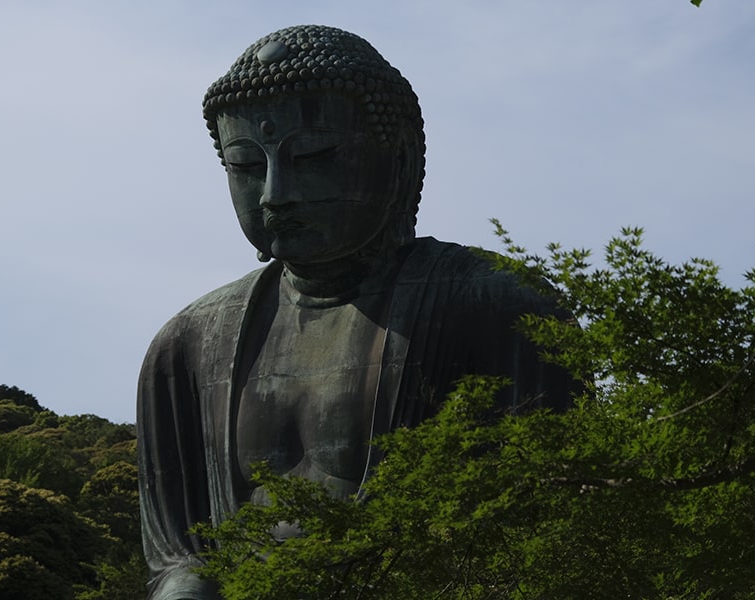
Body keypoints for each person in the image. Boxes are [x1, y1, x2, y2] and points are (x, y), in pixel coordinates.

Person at [137, 24, 574, 600]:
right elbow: (180, 556)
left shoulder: (495, 306)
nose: (274, 194)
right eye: (245, 165)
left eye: (311, 156)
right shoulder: (188, 347)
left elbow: (538, 535)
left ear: (398, 161)